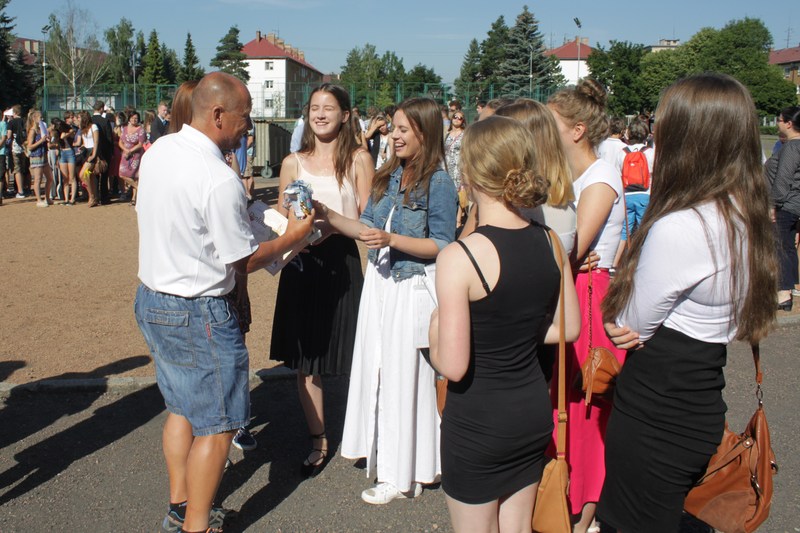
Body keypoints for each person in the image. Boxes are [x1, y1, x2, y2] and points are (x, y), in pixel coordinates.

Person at [134, 71, 315, 533]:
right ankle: (196, 525)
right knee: (217, 427)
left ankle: (180, 507)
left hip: (153, 298)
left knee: (182, 409)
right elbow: (244, 260)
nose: (248, 125)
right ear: (218, 115)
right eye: (244, 115)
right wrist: (295, 234)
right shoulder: (217, 177)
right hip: (198, 311)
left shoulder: (159, 151)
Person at [598, 73, 777, 533]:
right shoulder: (745, 212)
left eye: (663, 126)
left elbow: (630, 324)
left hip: (657, 412)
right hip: (700, 401)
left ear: (687, 139)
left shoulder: (682, 226)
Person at [429, 115, 581, 533]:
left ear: (469, 173)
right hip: (530, 411)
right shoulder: (549, 240)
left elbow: (454, 366)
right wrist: (517, 330)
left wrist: (434, 332)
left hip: (479, 420)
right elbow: (568, 328)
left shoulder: (461, 256)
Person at [319, 97, 458, 504]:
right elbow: (365, 228)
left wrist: (392, 239)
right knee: (379, 370)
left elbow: (443, 244)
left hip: (411, 288)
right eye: (392, 128)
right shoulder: (390, 176)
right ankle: (393, 460)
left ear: (424, 133)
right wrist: (326, 215)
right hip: (380, 286)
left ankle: (403, 475)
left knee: (405, 379)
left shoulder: (439, 182)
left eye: (402, 129)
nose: (393, 136)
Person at [270, 83, 374, 478]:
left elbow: (368, 221)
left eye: (328, 108)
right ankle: (318, 440)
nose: (320, 114)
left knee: (356, 354)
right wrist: (292, 226)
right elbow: (282, 219)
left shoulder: (359, 159)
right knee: (307, 363)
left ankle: (366, 434)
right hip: (302, 264)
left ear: (345, 115)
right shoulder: (292, 162)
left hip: (342, 262)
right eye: (314, 107)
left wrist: (331, 223)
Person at [547, 78, 626, 533]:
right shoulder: (573, 176)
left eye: (552, 122)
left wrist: (573, 257)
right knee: (563, 404)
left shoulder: (601, 177)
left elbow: (572, 251)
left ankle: (584, 516)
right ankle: (562, 502)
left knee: (585, 406)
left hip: (588, 295)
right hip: (571, 289)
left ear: (577, 130)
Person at [767, 105, 800, 311]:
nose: (777, 123)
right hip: (793, 204)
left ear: (789, 124)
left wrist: (773, 204)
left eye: (779, 120)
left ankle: (783, 293)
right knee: (787, 246)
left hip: (786, 205)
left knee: (778, 246)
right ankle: (789, 288)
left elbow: (783, 180)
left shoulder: (791, 147)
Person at [26, 109, 54, 207]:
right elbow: (29, 146)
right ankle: (38, 200)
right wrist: (41, 141)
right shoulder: (32, 131)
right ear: (34, 118)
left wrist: (47, 139)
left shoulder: (41, 128)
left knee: (50, 178)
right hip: (36, 156)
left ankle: (47, 198)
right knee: (38, 179)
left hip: (44, 155)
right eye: (40, 117)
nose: (42, 119)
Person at [118, 110, 146, 206]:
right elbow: (120, 142)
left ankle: (134, 197)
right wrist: (126, 150)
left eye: (136, 118)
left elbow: (140, 144)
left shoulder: (141, 130)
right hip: (125, 154)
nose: (134, 120)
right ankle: (139, 188)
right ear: (129, 119)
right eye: (133, 118)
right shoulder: (125, 129)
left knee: (134, 175)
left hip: (136, 155)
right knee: (122, 174)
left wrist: (130, 151)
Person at [52, 118, 77, 205]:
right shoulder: (57, 132)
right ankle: (66, 198)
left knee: (72, 177)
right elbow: (56, 142)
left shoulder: (69, 130)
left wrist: (67, 133)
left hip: (70, 152)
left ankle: (72, 198)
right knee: (65, 178)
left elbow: (65, 136)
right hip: (62, 152)